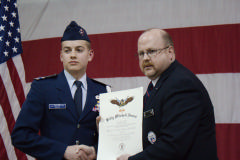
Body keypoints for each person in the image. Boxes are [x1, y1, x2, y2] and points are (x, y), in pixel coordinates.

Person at [11, 21, 109, 160]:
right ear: (61, 55)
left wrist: (95, 151)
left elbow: (112, 138)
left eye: (79, 50)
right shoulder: (43, 88)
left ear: (90, 54)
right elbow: (20, 136)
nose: (73, 55)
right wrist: (62, 151)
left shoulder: (103, 91)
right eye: (67, 50)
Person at [117, 29, 218, 160]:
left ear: (170, 53)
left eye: (151, 51)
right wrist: (101, 145)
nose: (146, 58)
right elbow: (143, 131)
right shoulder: (159, 85)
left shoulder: (181, 84)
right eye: (141, 53)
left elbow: (173, 145)